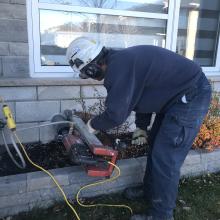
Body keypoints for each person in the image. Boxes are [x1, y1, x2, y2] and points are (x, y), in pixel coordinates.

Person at [66, 36, 212, 220]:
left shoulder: (119, 68)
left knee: (165, 158)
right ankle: (151, 190)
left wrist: (92, 125)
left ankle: (161, 216)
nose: (90, 78)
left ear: (92, 66)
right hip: (175, 97)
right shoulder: (121, 62)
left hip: (190, 96)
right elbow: (143, 94)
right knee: (156, 146)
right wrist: (141, 127)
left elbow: (115, 115)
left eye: (87, 73)